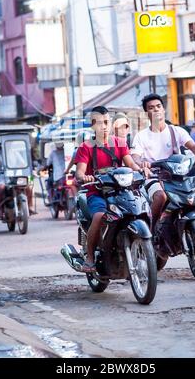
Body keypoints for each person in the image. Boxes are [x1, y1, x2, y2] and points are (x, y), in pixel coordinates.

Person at [130, 94, 195, 236]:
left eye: (158, 106)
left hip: (177, 177)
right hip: (154, 178)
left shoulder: (176, 131)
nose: (156, 110)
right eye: (151, 108)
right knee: (160, 196)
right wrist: (141, 163)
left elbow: (193, 146)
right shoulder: (141, 136)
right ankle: (152, 230)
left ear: (164, 110)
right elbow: (135, 157)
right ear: (147, 113)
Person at [75, 106, 143, 273]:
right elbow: (79, 171)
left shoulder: (120, 143)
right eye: (99, 123)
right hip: (96, 192)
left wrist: (140, 169)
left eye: (106, 122)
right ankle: (90, 258)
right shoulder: (86, 147)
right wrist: (84, 176)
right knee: (99, 216)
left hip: (119, 191)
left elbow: (130, 163)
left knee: (139, 208)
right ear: (92, 125)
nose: (103, 126)